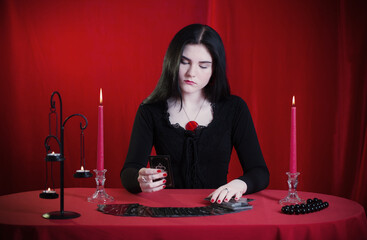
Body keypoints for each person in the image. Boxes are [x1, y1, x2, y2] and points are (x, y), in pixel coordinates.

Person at [120, 24, 269, 204]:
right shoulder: (150, 110)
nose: (192, 73)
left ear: (215, 69)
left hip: (216, 210)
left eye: (203, 66)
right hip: (168, 211)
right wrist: (140, 179)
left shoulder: (234, 108)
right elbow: (129, 171)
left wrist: (239, 184)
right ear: (172, 61)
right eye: (184, 62)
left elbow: (259, 172)